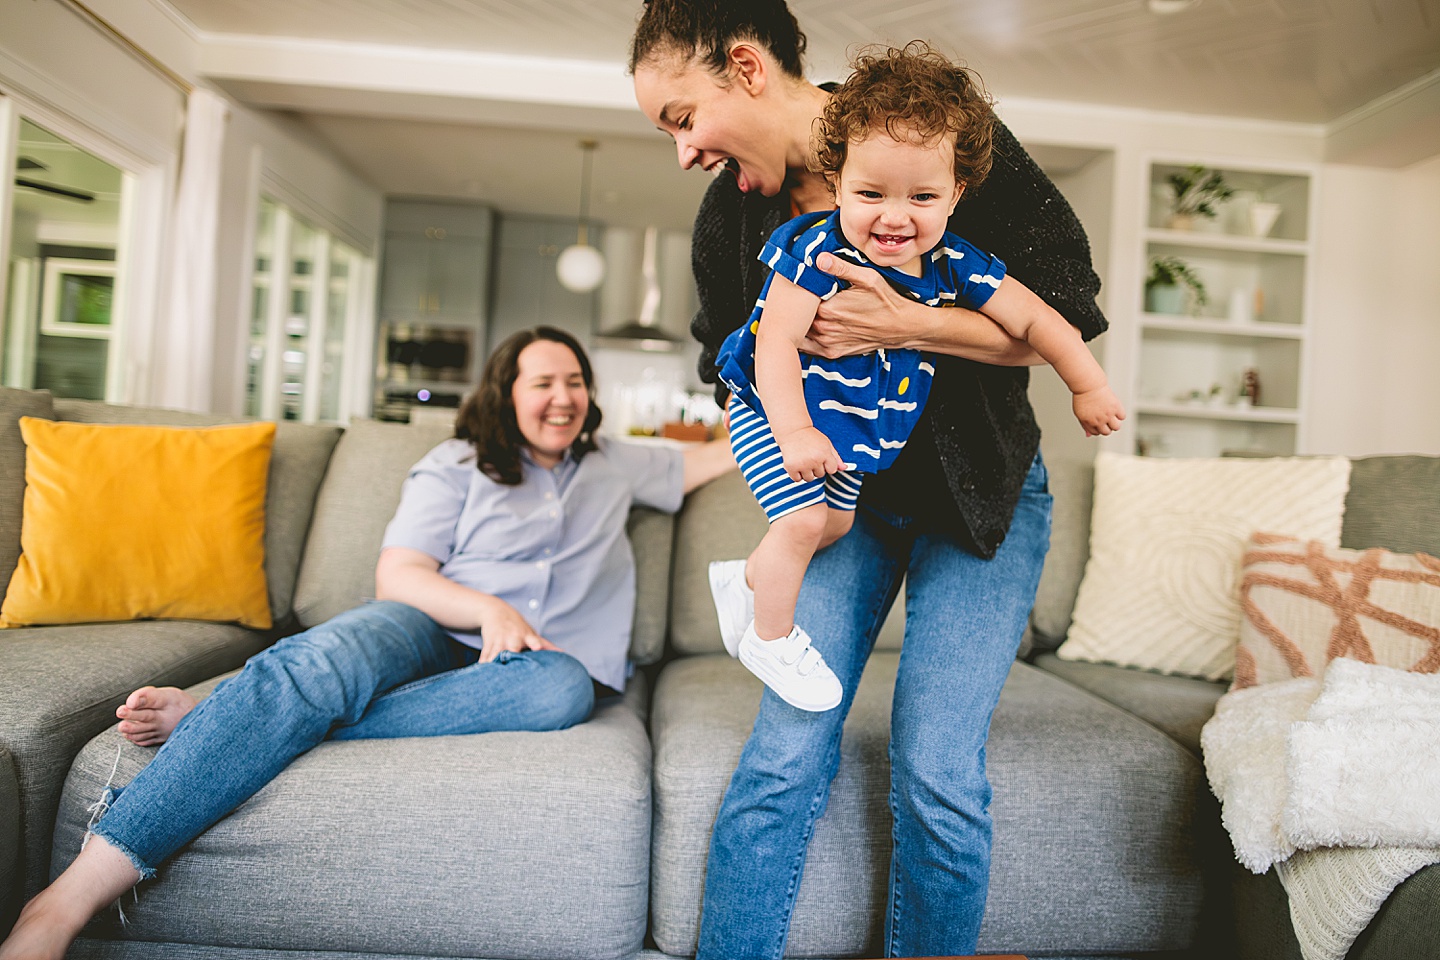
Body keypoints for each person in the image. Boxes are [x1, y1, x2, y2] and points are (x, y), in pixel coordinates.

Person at [0, 326, 735, 960]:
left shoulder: (620, 461)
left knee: (565, 690)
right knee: (319, 662)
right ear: (506, 393)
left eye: (575, 381)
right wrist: (484, 609)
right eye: (542, 381)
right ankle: (65, 900)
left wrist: (804, 392)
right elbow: (401, 573)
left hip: (536, 665)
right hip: (429, 624)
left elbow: (723, 455)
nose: (563, 397)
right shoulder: (458, 463)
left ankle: (232, 718)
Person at [630, 2, 1110, 956]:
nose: (684, 153)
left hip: (984, 501)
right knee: (784, 751)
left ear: (746, 67)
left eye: (684, 117)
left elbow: (1063, 320)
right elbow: (723, 369)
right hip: (847, 502)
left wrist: (905, 324)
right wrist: (784, 439)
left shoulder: (935, 129)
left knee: (937, 770)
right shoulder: (735, 215)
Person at [709, 43, 1124, 713]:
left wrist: (1088, 385)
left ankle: (746, 581)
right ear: (837, 182)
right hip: (768, 411)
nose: (894, 216)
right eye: (870, 193)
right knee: (810, 518)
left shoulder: (956, 262)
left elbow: (1041, 319)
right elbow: (775, 346)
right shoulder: (816, 248)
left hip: (842, 436)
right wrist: (793, 433)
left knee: (835, 527)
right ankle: (770, 636)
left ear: (956, 195)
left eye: (922, 197)